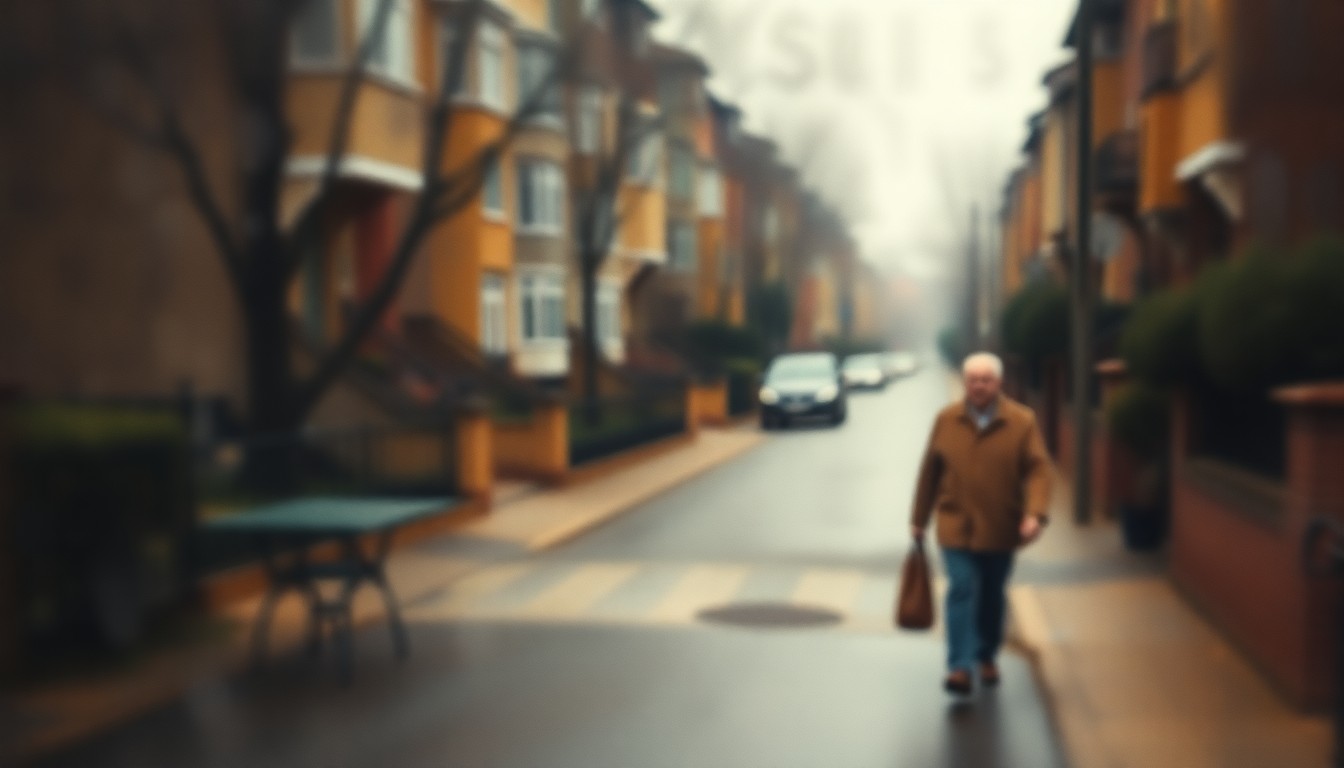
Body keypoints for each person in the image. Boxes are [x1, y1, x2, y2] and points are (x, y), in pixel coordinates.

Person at [909, 352, 1053, 695]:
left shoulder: (1022, 421)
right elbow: (929, 471)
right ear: (964, 382)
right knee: (960, 588)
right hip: (954, 524)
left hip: (1000, 526)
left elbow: (1038, 471)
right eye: (972, 380)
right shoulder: (946, 419)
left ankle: (986, 654)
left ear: (999, 383)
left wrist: (1034, 513)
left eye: (986, 380)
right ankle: (959, 666)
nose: (978, 386)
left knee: (991, 595)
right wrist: (918, 519)